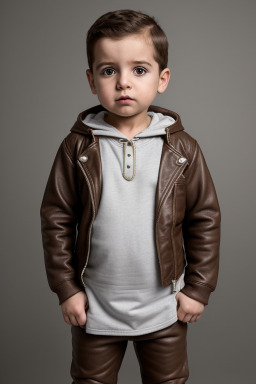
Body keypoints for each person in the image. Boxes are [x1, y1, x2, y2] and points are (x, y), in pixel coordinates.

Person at [40, 9, 221, 384]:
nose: (124, 82)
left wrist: (198, 288)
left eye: (139, 70)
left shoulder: (182, 148)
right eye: (108, 70)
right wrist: (66, 289)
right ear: (92, 80)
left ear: (162, 78)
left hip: (164, 306)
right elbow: (56, 218)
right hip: (95, 306)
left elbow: (204, 218)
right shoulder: (77, 146)